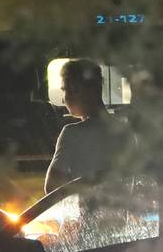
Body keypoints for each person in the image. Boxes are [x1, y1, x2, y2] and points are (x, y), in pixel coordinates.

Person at [44, 59, 132, 193]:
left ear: (85, 90)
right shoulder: (125, 131)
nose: (64, 98)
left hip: (87, 212)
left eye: (67, 90)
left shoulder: (72, 133)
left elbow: (51, 188)